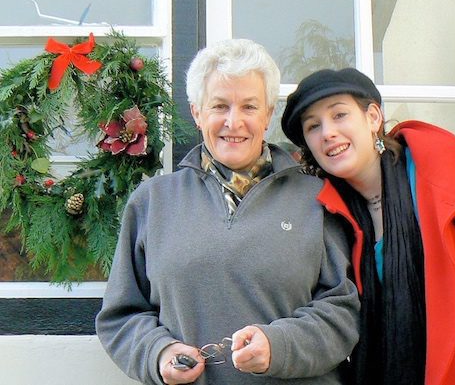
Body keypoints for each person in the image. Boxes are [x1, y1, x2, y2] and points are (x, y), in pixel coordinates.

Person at [96, 40, 360, 385]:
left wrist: (279, 346)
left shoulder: (317, 199)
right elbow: (122, 315)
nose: (233, 122)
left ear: (267, 115)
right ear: (196, 112)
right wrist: (158, 353)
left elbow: (342, 312)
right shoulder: (152, 202)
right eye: (219, 106)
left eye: (249, 107)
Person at [281, 67, 455, 385]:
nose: (327, 132)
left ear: (372, 118)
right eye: (313, 126)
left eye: (339, 115)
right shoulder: (329, 216)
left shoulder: (450, 166)